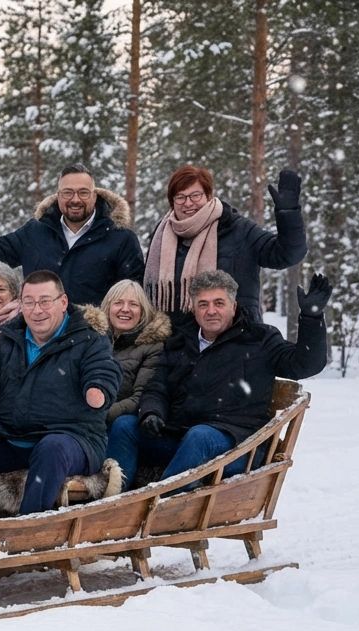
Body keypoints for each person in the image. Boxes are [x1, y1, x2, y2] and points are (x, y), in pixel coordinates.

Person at [106, 269, 329, 490]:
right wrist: (152, 411)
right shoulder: (182, 341)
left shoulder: (259, 339)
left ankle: (157, 507)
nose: (211, 311)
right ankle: (112, 499)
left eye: (219, 303)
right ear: (194, 308)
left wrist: (312, 317)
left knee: (201, 436)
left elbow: (305, 364)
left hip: (237, 443)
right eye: (203, 304)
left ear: (233, 306)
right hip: (181, 435)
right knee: (125, 426)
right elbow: (158, 385)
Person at [0, 270, 120, 516]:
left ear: (63, 302)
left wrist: (98, 388)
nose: (37, 310)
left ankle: (27, 530)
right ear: (21, 303)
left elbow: (104, 372)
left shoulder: (88, 340)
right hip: (12, 437)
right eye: (29, 302)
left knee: (51, 448)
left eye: (45, 301)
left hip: (71, 438)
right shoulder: (10, 338)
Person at [0, 163, 143, 307]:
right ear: (58, 195)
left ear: (95, 195)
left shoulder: (120, 238)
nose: (75, 199)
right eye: (67, 192)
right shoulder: (35, 232)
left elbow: (133, 295)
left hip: (93, 342)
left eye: (83, 192)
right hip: (39, 336)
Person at [145, 164, 307, 323]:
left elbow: (286, 255)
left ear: (208, 196)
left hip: (235, 339)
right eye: (180, 197)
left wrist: (288, 213)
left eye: (195, 195)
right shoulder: (161, 237)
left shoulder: (238, 229)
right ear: (172, 201)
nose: (188, 203)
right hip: (177, 344)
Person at [89, 279, 171, 425]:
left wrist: (99, 415)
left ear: (143, 311)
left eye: (133, 304)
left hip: (113, 421)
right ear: (107, 307)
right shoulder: (89, 339)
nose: (125, 309)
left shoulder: (153, 347)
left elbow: (139, 397)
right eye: (118, 302)